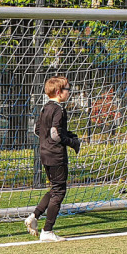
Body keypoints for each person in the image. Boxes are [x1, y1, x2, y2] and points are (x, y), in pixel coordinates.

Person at [26, 75, 80, 242]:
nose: (69, 93)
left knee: (55, 189)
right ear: (59, 92)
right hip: (56, 155)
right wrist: (71, 142)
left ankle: (34, 216)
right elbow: (55, 133)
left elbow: (37, 130)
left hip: (44, 153)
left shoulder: (45, 108)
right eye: (67, 90)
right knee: (59, 192)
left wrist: (65, 135)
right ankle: (47, 231)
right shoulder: (58, 109)